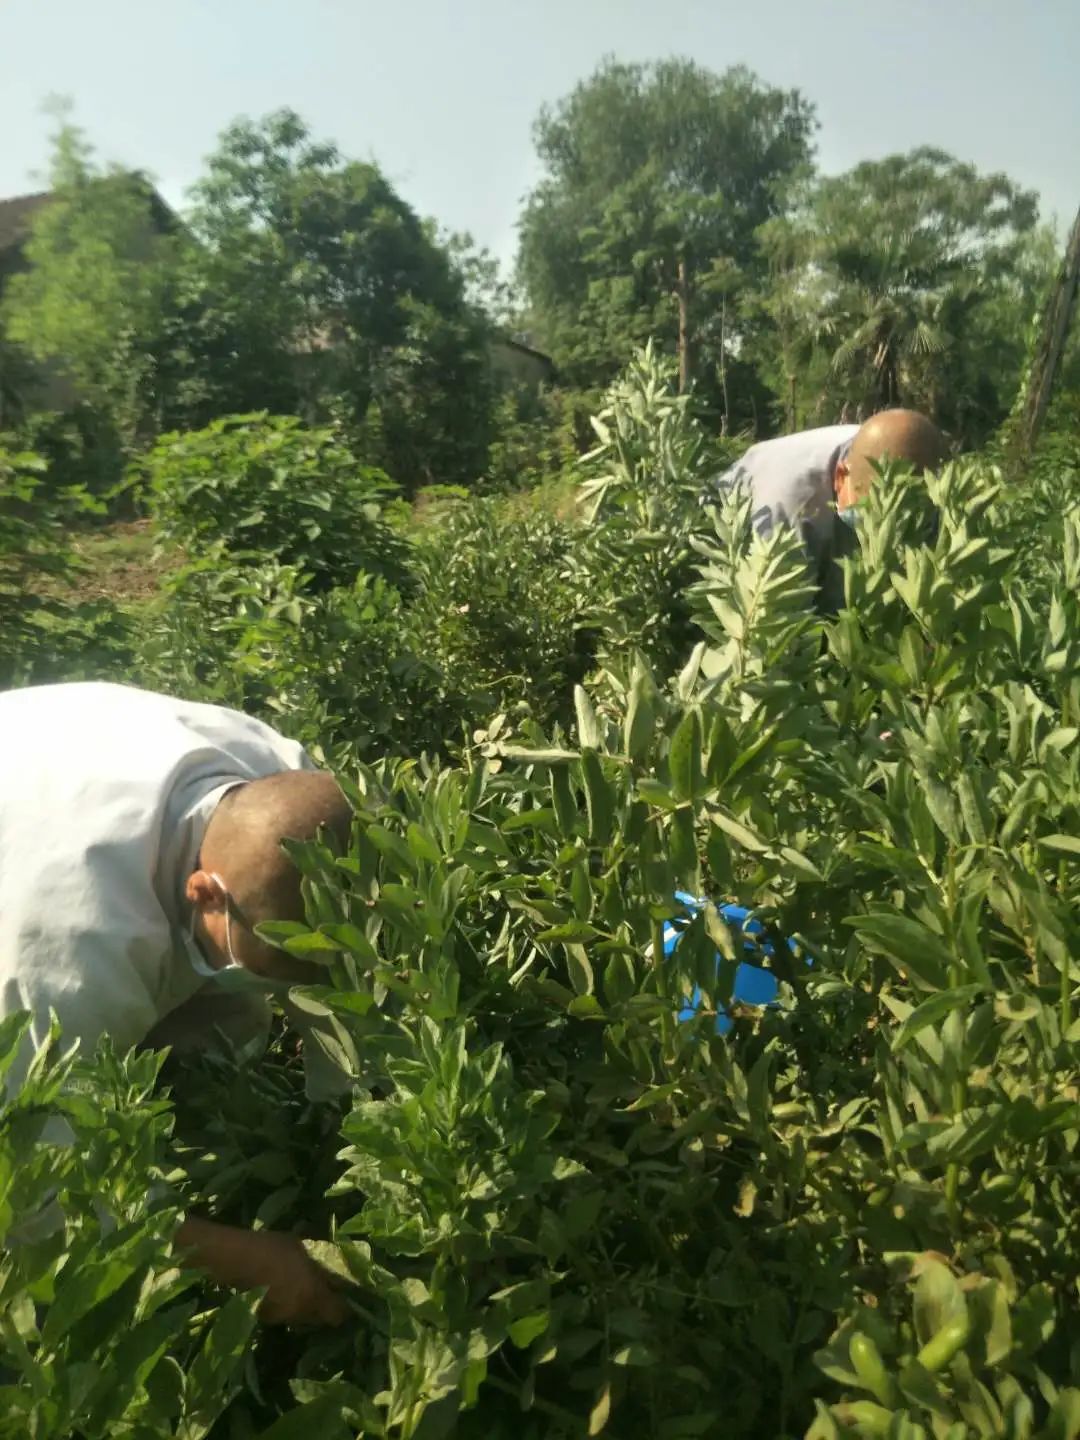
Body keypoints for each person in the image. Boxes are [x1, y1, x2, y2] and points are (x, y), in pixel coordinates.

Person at [0, 680, 355, 1327]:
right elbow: (40, 1192)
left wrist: (347, 1115)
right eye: (276, 968)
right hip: (27, 833)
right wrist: (243, 1260)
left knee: (214, 1050)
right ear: (205, 893)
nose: (287, 993)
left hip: (55, 762)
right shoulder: (63, 960)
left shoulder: (289, 788)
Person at [716, 408, 947, 613]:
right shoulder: (788, 506)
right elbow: (779, 622)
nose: (878, 532)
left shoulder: (904, 454)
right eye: (871, 514)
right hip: (730, 535)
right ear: (840, 477)